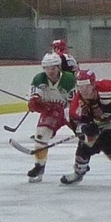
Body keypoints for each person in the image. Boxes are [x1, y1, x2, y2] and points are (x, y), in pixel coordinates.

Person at [25, 52, 77, 183]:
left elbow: (75, 101)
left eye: (53, 68)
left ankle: (81, 167)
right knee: (41, 135)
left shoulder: (69, 79)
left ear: (59, 67)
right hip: (51, 112)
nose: (50, 71)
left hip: (69, 110)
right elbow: (35, 98)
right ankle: (39, 166)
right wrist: (35, 103)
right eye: (47, 68)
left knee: (86, 136)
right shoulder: (39, 79)